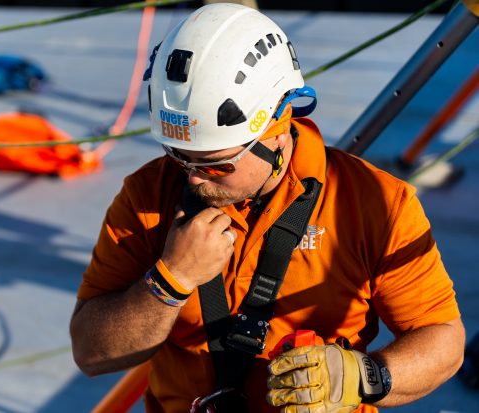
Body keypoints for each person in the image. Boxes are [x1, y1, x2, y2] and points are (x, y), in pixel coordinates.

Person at [70, 4, 465, 413]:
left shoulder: (374, 202)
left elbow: (443, 340)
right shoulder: (148, 195)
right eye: (179, 156)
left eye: (216, 163)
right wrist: (170, 281)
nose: (192, 179)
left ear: (277, 127)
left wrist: (362, 376)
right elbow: (92, 353)